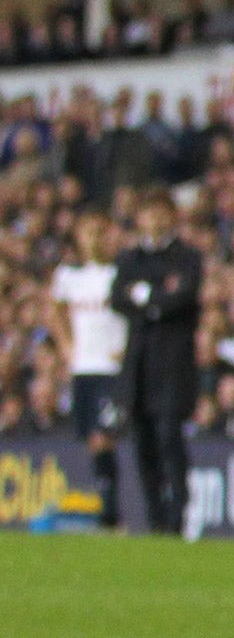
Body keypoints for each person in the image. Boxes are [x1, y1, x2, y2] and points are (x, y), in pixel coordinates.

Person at [111, 190, 203, 535]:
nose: (155, 220)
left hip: (173, 366)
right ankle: (154, 519)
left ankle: (176, 517)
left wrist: (146, 297)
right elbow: (118, 298)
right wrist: (157, 297)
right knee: (143, 443)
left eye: (161, 212)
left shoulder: (187, 256)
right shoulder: (129, 258)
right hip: (138, 366)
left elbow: (183, 297)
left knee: (169, 439)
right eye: (148, 213)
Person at [50, 213, 128, 527]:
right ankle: (106, 502)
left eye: (99, 231)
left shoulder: (118, 273)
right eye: (88, 232)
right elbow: (54, 311)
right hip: (84, 367)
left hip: (111, 367)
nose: (94, 238)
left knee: (104, 436)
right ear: (79, 237)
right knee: (91, 437)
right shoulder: (69, 276)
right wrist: (66, 346)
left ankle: (109, 508)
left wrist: (124, 347)